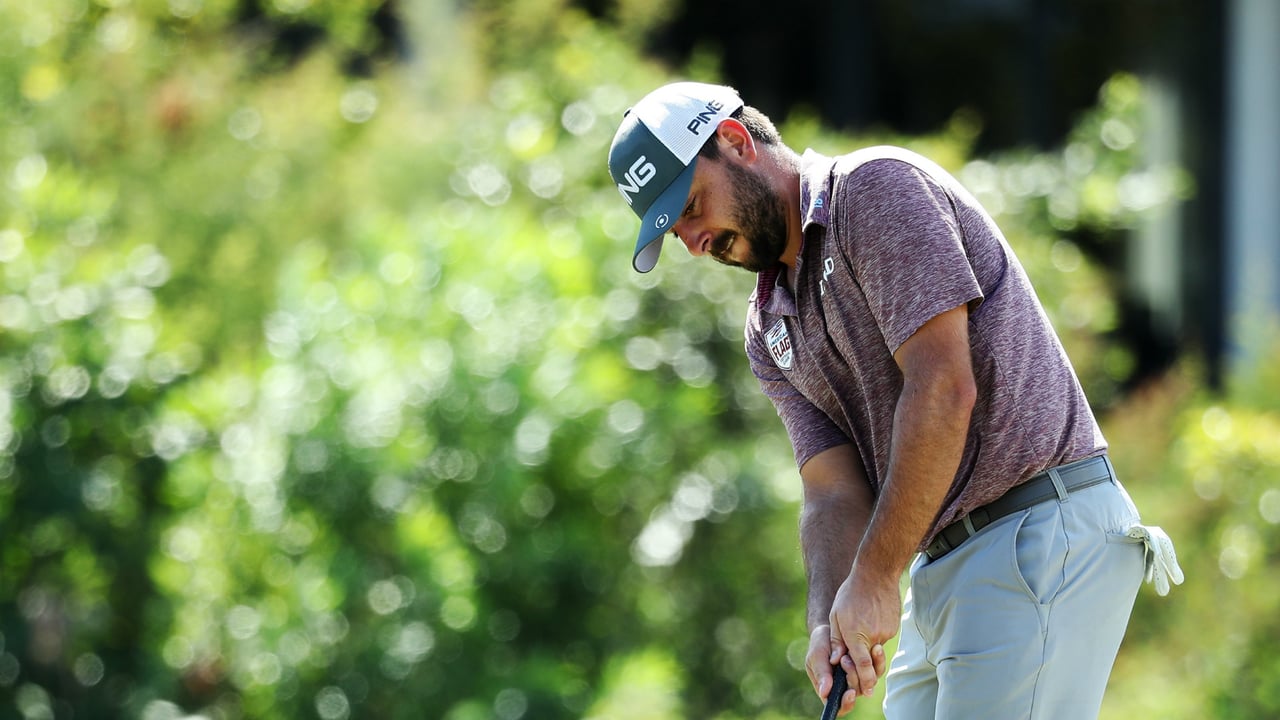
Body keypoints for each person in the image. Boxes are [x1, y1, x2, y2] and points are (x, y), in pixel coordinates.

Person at [607, 81, 1184, 719]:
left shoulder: (873, 192)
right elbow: (831, 489)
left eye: (690, 207)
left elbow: (943, 389)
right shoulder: (768, 326)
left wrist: (877, 577)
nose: (690, 242)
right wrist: (830, 618)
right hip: (942, 563)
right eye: (672, 230)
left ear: (737, 144)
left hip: (1036, 531)